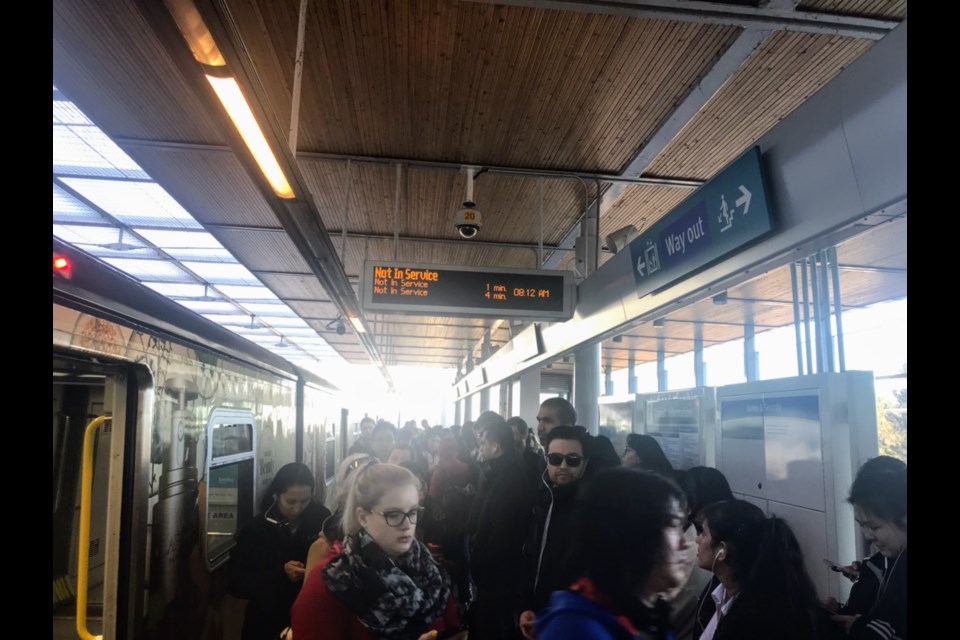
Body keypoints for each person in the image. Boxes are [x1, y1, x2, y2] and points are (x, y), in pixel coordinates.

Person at [290, 463, 459, 639]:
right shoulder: (335, 581)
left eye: (413, 512)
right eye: (393, 514)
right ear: (363, 517)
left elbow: (451, 627)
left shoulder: (429, 570)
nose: (407, 524)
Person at [535, 468, 690, 640]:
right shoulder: (574, 631)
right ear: (633, 534)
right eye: (673, 524)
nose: (685, 542)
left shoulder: (646, 618)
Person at [693, 499, 827, 640]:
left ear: (722, 551)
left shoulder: (757, 618)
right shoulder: (719, 588)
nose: (697, 540)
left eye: (703, 533)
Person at [226, 463, 331, 640]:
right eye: (290, 501)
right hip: (265, 622)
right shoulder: (255, 529)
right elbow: (235, 583)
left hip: (308, 620)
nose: (297, 509)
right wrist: (280, 573)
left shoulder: (322, 519)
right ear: (276, 495)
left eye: (305, 501)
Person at [518, 426, 591, 635]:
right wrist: (526, 605)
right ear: (547, 460)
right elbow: (530, 555)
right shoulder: (543, 500)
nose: (563, 466)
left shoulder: (592, 512)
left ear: (584, 464)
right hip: (537, 614)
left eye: (573, 459)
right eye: (556, 459)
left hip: (568, 623)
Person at [824, 456, 907, 640]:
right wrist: (840, 611)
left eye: (874, 527)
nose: (867, 535)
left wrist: (860, 627)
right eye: (862, 525)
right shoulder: (879, 562)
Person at [467, 415, 534, 639]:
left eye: (483, 442)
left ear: (496, 447)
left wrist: (481, 567)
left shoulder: (508, 480)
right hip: (496, 573)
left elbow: (501, 533)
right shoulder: (501, 471)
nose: (480, 447)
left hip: (498, 576)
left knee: (493, 627)